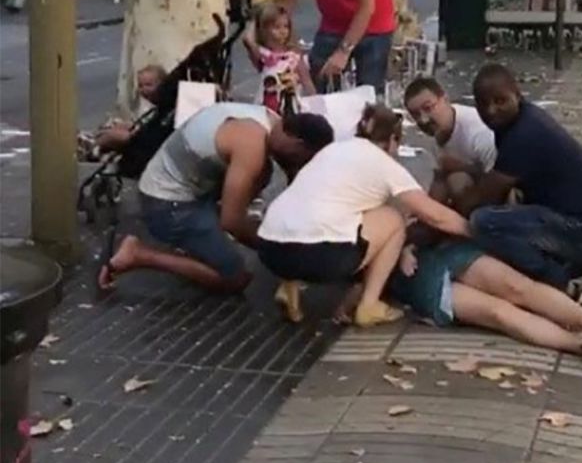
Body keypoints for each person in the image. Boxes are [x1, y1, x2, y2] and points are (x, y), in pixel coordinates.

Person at [256, 104, 471, 327]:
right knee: (393, 220)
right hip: (320, 256)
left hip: (269, 248)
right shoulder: (384, 163)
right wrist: (474, 230)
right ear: (392, 141)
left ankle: (288, 287)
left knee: (308, 215)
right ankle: (369, 306)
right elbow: (434, 215)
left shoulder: (331, 151)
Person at [97, 103, 334, 292]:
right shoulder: (251, 146)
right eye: (302, 158)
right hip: (167, 205)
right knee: (235, 279)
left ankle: (203, 237)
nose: (299, 164)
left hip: (181, 185)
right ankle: (138, 254)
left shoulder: (271, 120)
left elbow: (292, 175)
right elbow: (231, 222)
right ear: (298, 143)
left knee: (263, 173)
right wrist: (277, 251)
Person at [459, 63, 582, 298]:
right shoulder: (526, 118)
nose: (491, 110)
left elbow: (484, 196)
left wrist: (441, 214)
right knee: (511, 210)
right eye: (483, 104)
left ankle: (557, 281)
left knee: (485, 222)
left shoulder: (523, 135)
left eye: (500, 101)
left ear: (518, 94)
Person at [387, 230, 582, 368]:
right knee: (498, 312)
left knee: (519, 287)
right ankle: (581, 346)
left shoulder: (423, 159)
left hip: (445, 247)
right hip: (415, 275)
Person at [404, 76, 496, 209]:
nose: (423, 120)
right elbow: (439, 178)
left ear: (445, 100)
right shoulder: (436, 130)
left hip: (502, 191)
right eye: (416, 115)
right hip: (478, 182)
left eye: (428, 108)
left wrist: (462, 167)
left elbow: (500, 179)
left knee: (458, 182)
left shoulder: (479, 132)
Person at [78, 64, 167, 161]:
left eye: (149, 85)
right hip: (138, 139)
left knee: (110, 136)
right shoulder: (156, 108)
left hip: (137, 147)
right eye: (140, 86)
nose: (144, 90)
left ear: (163, 85)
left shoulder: (165, 109)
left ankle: (94, 145)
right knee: (114, 124)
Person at [243, 3, 315, 114]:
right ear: (264, 30)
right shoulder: (264, 55)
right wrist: (255, 18)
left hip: (289, 105)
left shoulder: (293, 56)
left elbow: (307, 81)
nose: (282, 31)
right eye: (276, 27)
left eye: (286, 26)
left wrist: (316, 102)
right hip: (266, 105)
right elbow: (248, 39)